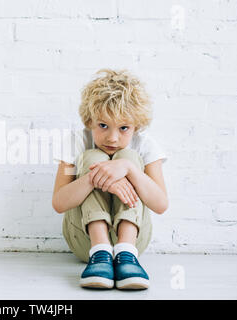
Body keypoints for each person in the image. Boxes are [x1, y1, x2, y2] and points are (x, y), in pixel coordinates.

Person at [52, 68, 168, 290]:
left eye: (124, 128)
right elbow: (59, 203)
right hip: (85, 243)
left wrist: (128, 169)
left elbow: (161, 204)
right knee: (93, 156)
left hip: (134, 244)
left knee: (129, 157)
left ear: (136, 126)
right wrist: (96, 177)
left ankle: (124, 250)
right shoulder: (76, 142)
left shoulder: (144, 145)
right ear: (90, 121)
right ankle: (101, 250)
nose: (112, 138)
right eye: (103, 125)